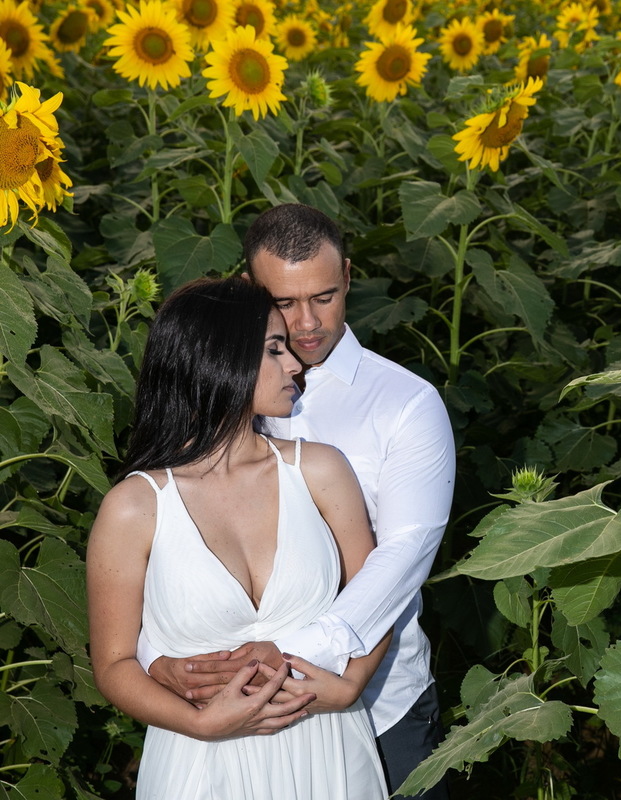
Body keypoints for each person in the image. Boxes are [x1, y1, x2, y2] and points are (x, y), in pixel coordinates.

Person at [138, 204, 457, 797]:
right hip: (230, 711)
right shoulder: (212, 397)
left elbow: (404, 554)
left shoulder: (404, 404)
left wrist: (308, 658)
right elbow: (167, 529)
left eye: (325, 296)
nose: (307, 323)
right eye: (283, 302)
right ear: (247, 290)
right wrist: (158, 654)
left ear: (349, 277)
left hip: (376, 699)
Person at [87, 278, 389, 799]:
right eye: (274, 349)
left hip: (328, 749)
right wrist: (201, 725)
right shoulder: (134, 507)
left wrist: (351, 685)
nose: (295, 364)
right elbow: (114, 666)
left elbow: (377, 598)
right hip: (199, 763)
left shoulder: (320, 470)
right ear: (217, 359)